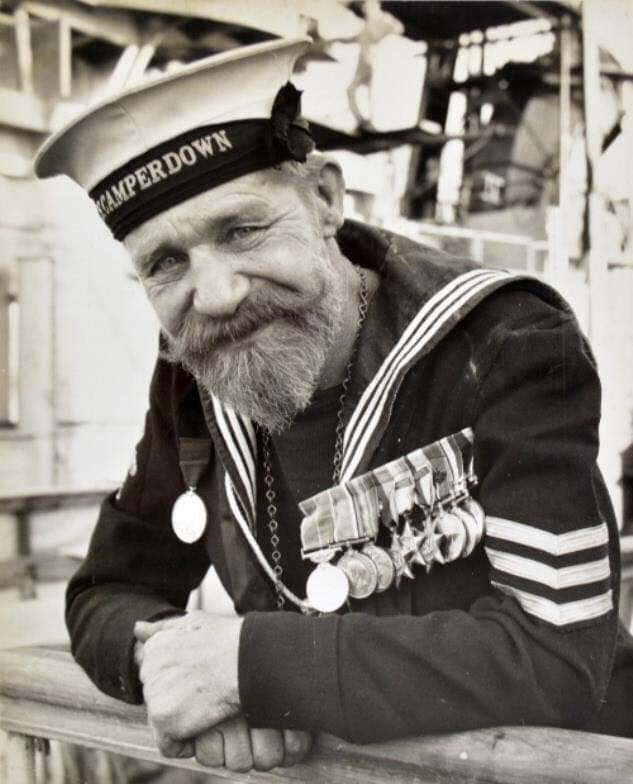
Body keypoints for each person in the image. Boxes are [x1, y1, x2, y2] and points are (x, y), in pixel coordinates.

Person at [34, 37, 632, 773]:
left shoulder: (502, 340)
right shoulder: (193, 371)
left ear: (323, 199)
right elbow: (108, 588)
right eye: (165, 262)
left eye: (242, 230)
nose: (217, 294)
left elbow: (555, 653)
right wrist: (175, 660)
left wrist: (250, 670)